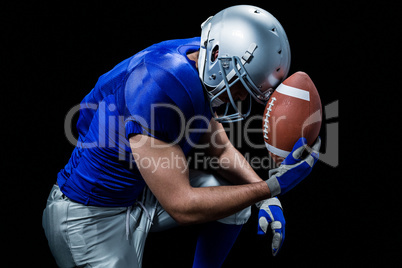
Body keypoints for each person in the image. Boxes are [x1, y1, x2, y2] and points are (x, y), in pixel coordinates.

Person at [42, 5, 320, 268]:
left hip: (137, 190)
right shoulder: (161, 83)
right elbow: (182, 206)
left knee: (236, 204)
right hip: (90, 216)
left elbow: (220, 150)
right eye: (240, 86)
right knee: (231, 196)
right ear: (216, 57)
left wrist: (263, 198)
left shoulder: (200, 58)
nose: (241, 98)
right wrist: (272, 187)